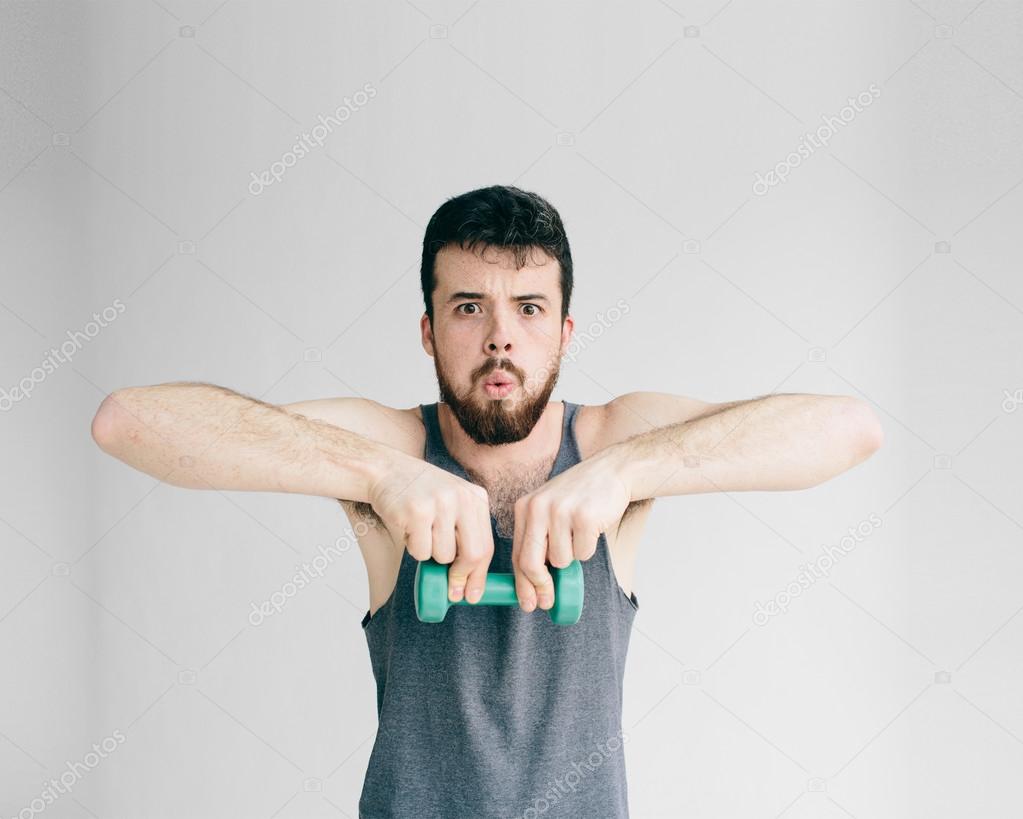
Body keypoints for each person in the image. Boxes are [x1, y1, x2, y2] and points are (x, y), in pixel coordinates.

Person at [90, 184, 883, 818]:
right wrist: (379, 476)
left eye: (528, 310)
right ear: (429, 331)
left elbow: (847, 429)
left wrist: (620, 473)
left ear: (564, 332)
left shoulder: (612, 442)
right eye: (469, 307)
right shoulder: (389, 447)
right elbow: (129, 422)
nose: (500, 338)